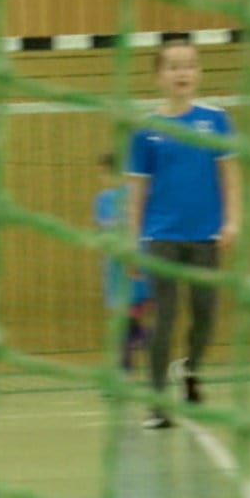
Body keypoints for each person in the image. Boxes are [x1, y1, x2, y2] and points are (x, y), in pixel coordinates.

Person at [127, 38, 240, 430]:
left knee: (206, 316)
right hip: (161, 239)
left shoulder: (216, 120)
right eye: (173, 66)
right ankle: (158, 404)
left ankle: (190, 368)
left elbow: (229, 175)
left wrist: (232, 220)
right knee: (164, 318)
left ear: (199, 73)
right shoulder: (146, 130)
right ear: (159, 76)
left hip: (205, 238)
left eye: (189, 65)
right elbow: (136, 191)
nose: (182, 72)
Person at [94, 153, 151, 376]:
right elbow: (102, 232)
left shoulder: (135, 195)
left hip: (134, 259)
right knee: (128, 316)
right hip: (114, 263)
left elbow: (137, 227)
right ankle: (138, 356)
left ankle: (124, 368)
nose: (102, 177)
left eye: (103, 172)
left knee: (129, 314)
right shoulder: (102, 199)